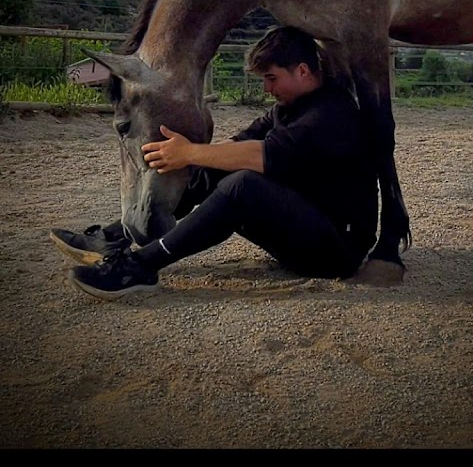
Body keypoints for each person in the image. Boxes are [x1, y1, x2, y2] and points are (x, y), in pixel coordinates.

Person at [53, 26, 379, 300]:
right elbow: (239, 144)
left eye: (271, 78)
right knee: (216, 164)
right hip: (304, 227)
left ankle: (139, 267)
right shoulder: (290, 107)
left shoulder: (331, 114)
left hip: (335, 251)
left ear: (303, 71)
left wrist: (189, 153)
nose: (267, 89)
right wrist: (191, 156)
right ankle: (113, 237)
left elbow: (261, 155)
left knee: (243, 186)